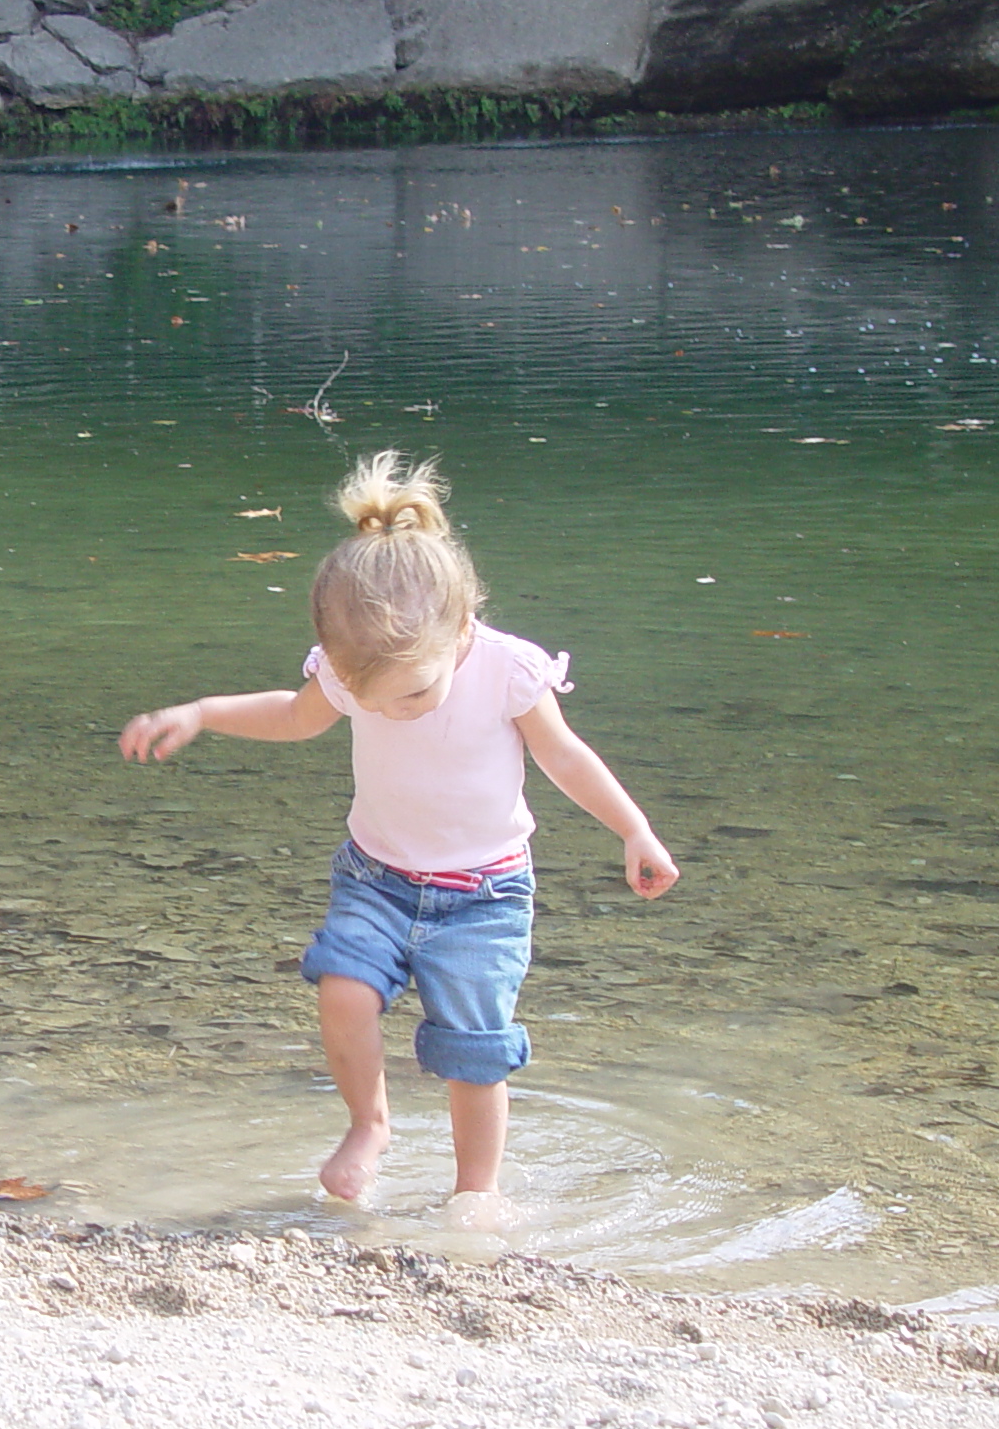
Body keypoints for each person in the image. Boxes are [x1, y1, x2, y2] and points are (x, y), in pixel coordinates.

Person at [119, 452, 677, 1214]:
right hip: (377, 879)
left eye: (416, 692)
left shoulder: (507, 670)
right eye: (379, 701)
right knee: (343, 990)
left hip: (486, 894)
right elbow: (291, 714)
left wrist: (635, 831)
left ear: (461, 632)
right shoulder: (356, 674)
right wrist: (202, 713)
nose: (402, 710)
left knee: (475, 1051)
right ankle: (368, 1124)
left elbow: (565, 758)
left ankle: (476, 1194)